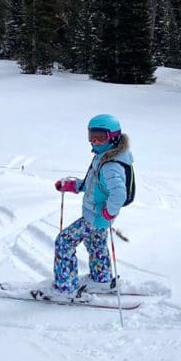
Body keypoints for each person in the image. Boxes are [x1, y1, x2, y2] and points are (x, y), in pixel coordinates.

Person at [51, 113, 133, 299]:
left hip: (96, 216)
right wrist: (74, 186)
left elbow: (119, 194)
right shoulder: (104, 156)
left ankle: (66, 288)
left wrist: (108, 213)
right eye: (91, 135)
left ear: (114, 137)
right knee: (96, 244)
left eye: (100, 136)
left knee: (64, 242)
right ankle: (101, 279)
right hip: (98, 216)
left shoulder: (110, 164)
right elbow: (95, 185)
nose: (94, 141)